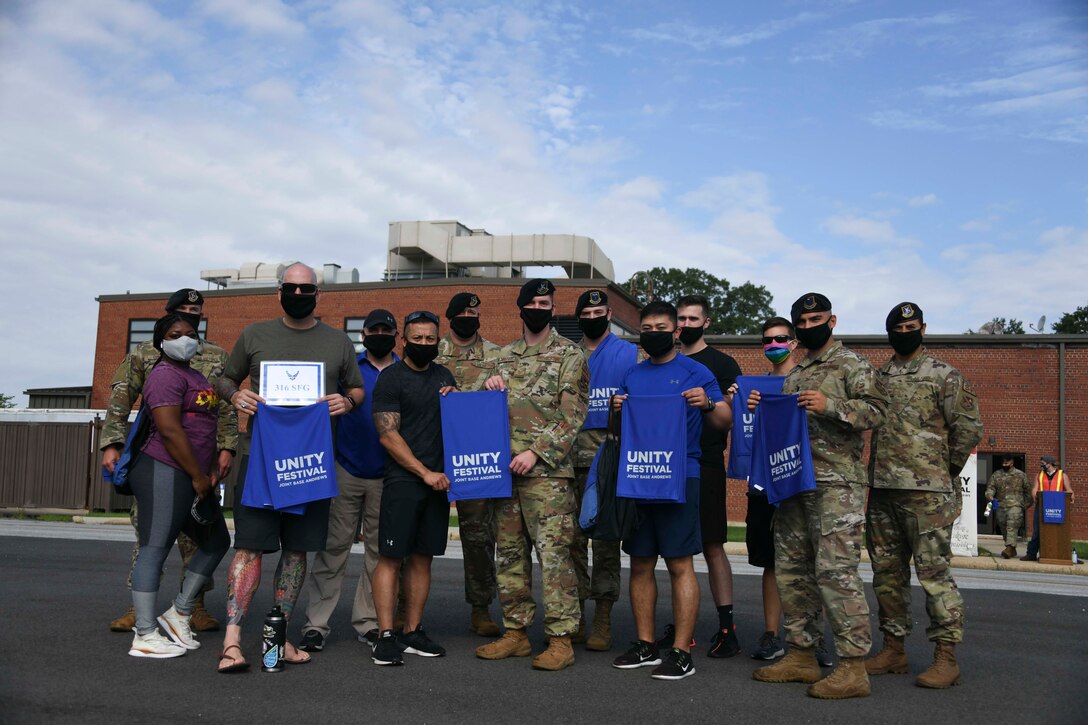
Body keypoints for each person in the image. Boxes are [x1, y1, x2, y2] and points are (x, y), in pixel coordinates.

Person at [215, 263, 364, 672]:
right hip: (259, 459)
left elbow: (356, 387)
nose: (298, 294)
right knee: (250, 547)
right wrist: (235, 395)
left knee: (297, 551)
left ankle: (275, 641)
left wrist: (347, 402)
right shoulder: (255, 334)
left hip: (310, 463)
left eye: (306, 288)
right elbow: (225, 378)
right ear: (279, 290)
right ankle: (231, 642)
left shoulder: (337, 342)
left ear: (319, 293)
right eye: (291, 288)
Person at [749, 292, 888, 700]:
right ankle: (801, 655)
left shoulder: (852, 364)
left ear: (832, 320)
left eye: (817, 318)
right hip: (793, 483)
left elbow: (878, 411)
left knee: (836, 575)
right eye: (803, 321)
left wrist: (831, 405)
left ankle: (853, 667)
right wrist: (765, 406)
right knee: (793, 573)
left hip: (836, 487)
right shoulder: (796, 371)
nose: (810, 325)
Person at [102, 288, 236, 634]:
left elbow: (224, 408)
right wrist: (112, 444)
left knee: (200, 536)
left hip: (202, 462)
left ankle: (194, 607)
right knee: (151, 536)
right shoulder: (145, 355)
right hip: (162, 460)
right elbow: (121, 398)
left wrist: (227, 448)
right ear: (167, 317)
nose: (190, 317)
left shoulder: (215, 356)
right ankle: (140, 612)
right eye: (183, 311)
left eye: (196, 312)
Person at [609, 300, 732, 681]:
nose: (653, 333)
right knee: (641, 562)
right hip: (638, 476)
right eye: (647, 327)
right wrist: (616, 407)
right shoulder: (632, 374)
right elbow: (617, 430)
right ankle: (646, 644)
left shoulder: (696, 371)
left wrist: (708, 402)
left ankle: (681, 651)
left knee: (680, 563)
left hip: (681, 474)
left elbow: (725, 419)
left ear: (675, 331)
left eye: (661, 327)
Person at [865, 302, 983, 689]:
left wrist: (942, 470)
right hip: (882, 491)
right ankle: (893, 649)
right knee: (887, 576)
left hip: (928, 495)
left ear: (923, 328)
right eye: (898, 327)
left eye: (911, 326)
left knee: (934, 576)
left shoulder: (944, 375)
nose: (904, 332)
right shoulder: (878, 375)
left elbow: (968, 428)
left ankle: (946, 657)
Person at [476, 279, 589, 672]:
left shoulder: (569, 354)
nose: (541, 307)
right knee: (508, 554)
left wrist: (536, 452)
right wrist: (487, 386)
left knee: (555, 557)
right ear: (520, 307)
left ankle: (561, 638)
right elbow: (480, 410)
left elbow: (572, 415)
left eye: (547, 302)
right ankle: (516, 633)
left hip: (549, 476)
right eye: (534, 302)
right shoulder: (503, 357)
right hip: (504, 475)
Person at [126, 313, 231, 658]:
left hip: (195, 474)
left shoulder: (195, 374)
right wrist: (198, 476)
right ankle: (144, 634)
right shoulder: (164, 375)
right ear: (161, 341)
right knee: (155, 547)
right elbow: (170, 430)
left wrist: (211, 466)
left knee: (217, 541)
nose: (184, 339)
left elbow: (204, 427)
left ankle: (179, 612)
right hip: (163, 468)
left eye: (190, 334)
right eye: (175, 334)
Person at [298, 309, 399, 653]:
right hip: (346, 469)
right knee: (333, 550)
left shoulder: (405, 370)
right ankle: (316, 625)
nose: (381, 334)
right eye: (375, 329)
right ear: (364, 334)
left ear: (396, 334)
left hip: (389, 475)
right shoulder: (349, 369)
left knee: (378, 554)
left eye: (387, 329)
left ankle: (368, 623)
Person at [369, 311, 459, 666]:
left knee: (423, 558)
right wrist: (423, 472)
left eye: (430, 339)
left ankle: (412, 630)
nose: (424, 344)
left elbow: (458, 425)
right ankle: (385, 636)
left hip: (438, 483)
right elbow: (388, 435)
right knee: (391, 558)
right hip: (405, 481)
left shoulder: (444, 376)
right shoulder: (391, 379)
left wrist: (455, 399)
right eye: (417, 338)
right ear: (404, 340)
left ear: (438, 340)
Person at [675, 294, 743, 658]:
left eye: (692, 318)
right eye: (680, 318)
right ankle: (681, 625)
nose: (685, 324)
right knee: (673, 549)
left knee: (713, 546)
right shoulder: (661, 360)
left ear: (707, 323)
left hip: (706, 463)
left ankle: (727, 626)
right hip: (666, 465)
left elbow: (730, 414)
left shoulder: (722, 363)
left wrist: (713, 403)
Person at [570, 289, 638, 651]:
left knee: (606, 543)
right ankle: (576, 615)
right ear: (578, 316)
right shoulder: (567, 354)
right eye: (587, 311)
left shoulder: (629, 353)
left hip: (608, 459)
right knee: (573, 545)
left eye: (600, 310)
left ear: (610, 313)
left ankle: (603, 618)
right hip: (568, 461)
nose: (594, 316)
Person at [435, 291, 502, 637]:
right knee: (415, 532)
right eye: (462, 312)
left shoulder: (495, 356)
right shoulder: (432, 351)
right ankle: (403, 607)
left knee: (478, 537)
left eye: (475, 312)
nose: (469, 317)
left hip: (476, 459)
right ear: (450, 317)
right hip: (432, 453)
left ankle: (481, 607)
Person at [744, 316, 798, 662]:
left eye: (780, 339)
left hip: (797, 483)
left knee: (808, 565)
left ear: (793, 342)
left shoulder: (808, 381)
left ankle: (812, 638)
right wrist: (739, 402)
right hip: (763, 482)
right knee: (771, 564)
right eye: (767, 340)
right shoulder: (755, 387)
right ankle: (771, 634)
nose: (773, 345)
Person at [1022, 456, 1076, 561]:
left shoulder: (1062, 475)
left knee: (1061, 531)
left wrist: (1072, 497)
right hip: (1041, 506)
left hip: (1058, 507)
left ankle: (1066, 555)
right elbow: (1035, 489)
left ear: (1049, 463)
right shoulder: (1039, 475)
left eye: (1043, 463)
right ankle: (1031, 554)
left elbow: (1069, 490)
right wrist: (1034, 495)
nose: (1041, 465)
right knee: (1037, 531)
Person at [984, 455, 1031, 559]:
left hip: (1015, 505)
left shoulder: (1020, 475)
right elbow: (991, 487)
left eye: (1007, 463)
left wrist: (1027, 504)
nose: (1004, 465)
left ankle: (1009, 548)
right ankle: (1012, 549)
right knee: (1003, 527)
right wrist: (990, 495)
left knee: (1011, 526)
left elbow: (1028, 490)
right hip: (1001, 505)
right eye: (1003, 463)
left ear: (1012, 463)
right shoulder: (996, 475)